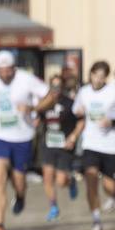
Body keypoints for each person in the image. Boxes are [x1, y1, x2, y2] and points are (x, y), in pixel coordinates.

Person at [0, 51, 57, 230]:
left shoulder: (26, 79)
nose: (4, 75)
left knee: (19, 181)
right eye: (0, 71)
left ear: (14, 68)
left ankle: (20, 196)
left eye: (8, 71)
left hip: (22, 136)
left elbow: (50, 96)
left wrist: (33, 109)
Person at [69, 60, 115, 230]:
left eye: (101, 76)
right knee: (91, 180)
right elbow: (76, 111)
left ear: (106, 77)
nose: (97, 79)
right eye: (95, 75)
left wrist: (111, 122)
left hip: (111, 145)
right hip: (91, 143)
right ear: (90, 74)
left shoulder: (114, 92)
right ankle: (96, 220)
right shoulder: (84, 92)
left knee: (109, 186)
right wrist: (79, 112)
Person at [40, 76, 79, 221]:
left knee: (61, 181)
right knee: (48, 177)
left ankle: (71, 182)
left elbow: (81, 122)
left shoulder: (70, 103)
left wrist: (73, 137)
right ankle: (53, 207)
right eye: (53, 87)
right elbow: (37, 116)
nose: (56, 90)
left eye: (58, 87)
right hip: (48, 144)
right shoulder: (44, 103)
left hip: (64, 145)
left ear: (62, 88)